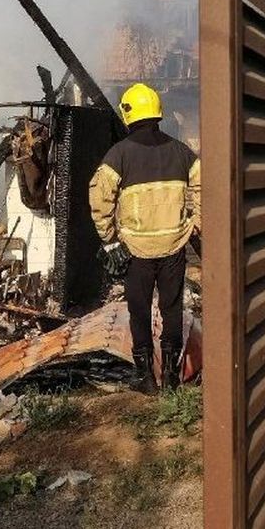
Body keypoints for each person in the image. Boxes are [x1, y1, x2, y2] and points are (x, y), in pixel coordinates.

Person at [89, 83, 200, 393]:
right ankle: (171, 377)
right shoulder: (182, 151)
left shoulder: (118, 154)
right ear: (157, 112)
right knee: (172, 309)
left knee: (138, 310)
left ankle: (145, 377)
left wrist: (110, 240)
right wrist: (195, 224)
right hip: (174, 247)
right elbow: (202, 187)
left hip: (136, 250)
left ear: (128, 114)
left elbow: (99, 200)